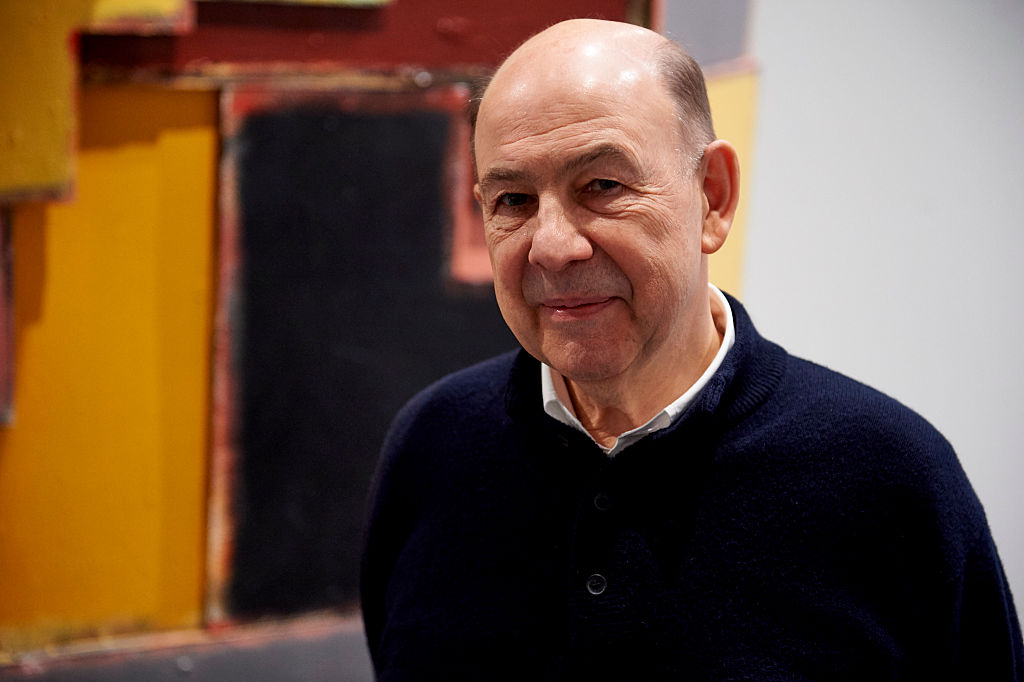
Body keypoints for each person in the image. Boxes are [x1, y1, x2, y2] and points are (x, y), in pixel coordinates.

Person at [361, 18, 1023, 680]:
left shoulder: (888, 477)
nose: (553, 245)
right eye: (514, 199)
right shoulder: (433, 446)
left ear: (712, 197)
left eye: (602, 186)